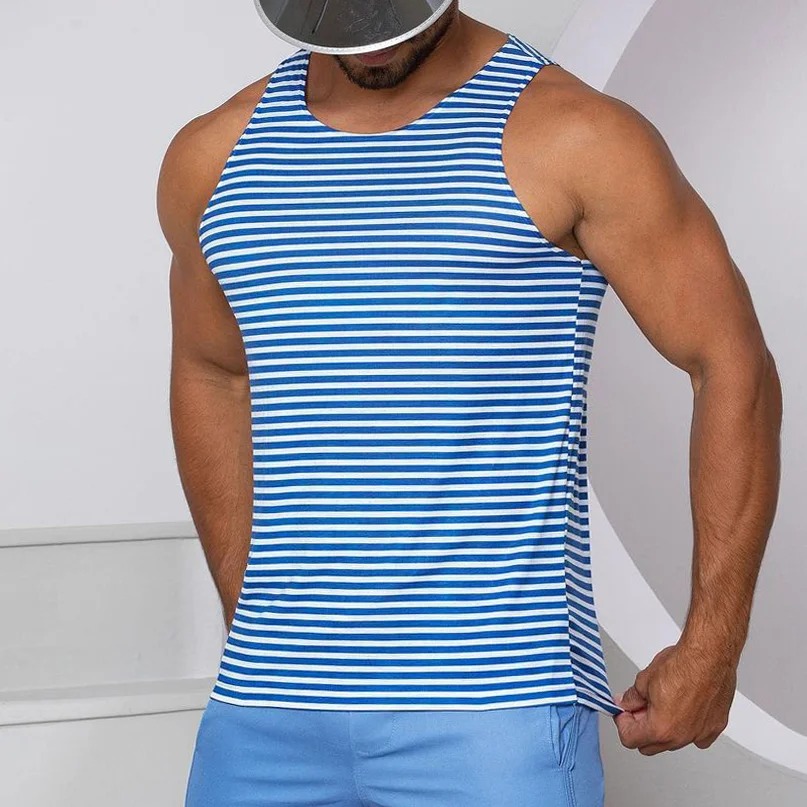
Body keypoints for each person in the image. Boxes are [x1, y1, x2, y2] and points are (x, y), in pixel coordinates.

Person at [156, 1, 782, 804]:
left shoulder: (573, 135)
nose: (370, 35)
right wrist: (251, 604)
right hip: (264, 711)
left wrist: (712, 643)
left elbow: (729, 363)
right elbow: (213, 372)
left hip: (495, 715)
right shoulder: (214, 156)